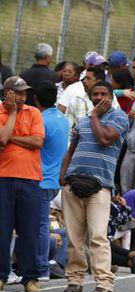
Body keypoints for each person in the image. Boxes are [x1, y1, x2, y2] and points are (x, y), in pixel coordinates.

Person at [59, 81, 129, 292]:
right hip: (73, 184)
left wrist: (95, 116)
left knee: (98, 237)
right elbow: (72, 148)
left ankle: (104, 285)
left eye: (103, 94)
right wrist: (63, 176)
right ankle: (74, 280)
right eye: (95, 94)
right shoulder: (82, 121)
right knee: (74, 237)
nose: (99, 97)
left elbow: (105, 138)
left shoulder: (119, 118)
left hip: (99, 187)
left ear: (111, 97)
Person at [0, 76, 45, 292]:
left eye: (24, 93)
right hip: (3, 177)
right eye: (17, 92)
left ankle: (30, 278)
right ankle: (1, 275)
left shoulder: (34, 113)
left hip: (30, 178)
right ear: (6, 93)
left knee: (29, 231)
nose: (21, 96)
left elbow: (37, 141)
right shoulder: (1, 112)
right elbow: (1, 138)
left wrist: (12, 138)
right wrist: (13, 114)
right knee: (2, 230)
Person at [36, 81, 70, 281]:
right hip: (54, 181)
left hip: (40, 179)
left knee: (38, 226)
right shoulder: (63, 119)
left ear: (36, 99)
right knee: (39, 224)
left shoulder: (41, 120)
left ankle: (41, 269)